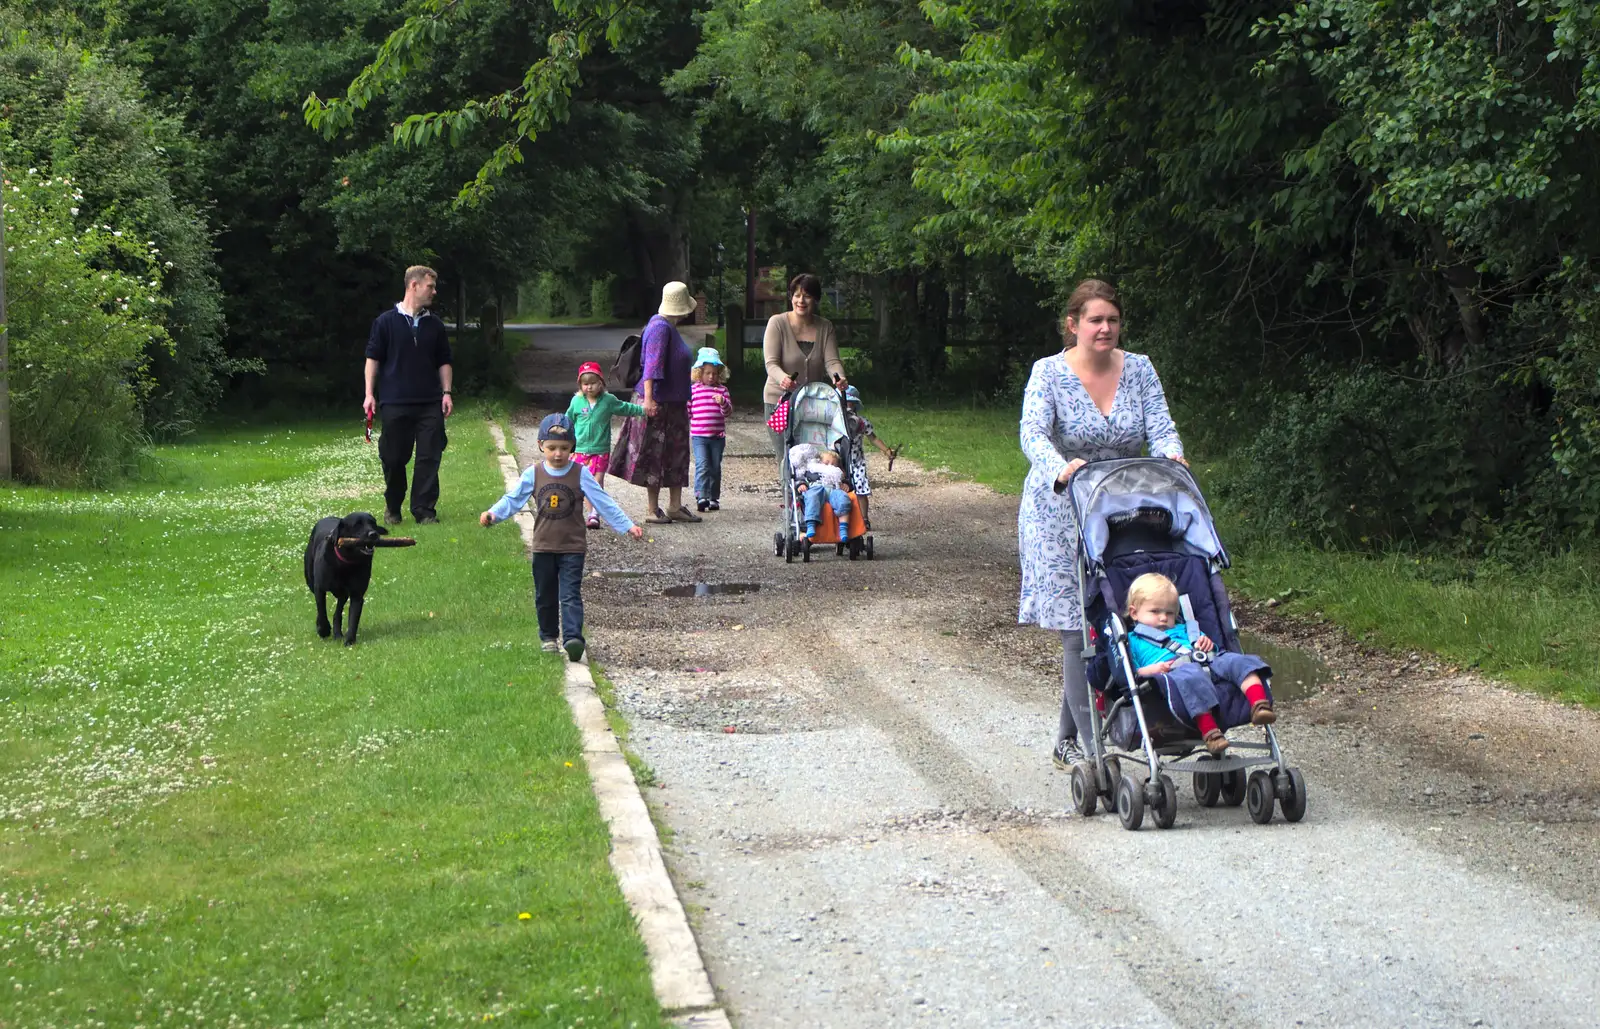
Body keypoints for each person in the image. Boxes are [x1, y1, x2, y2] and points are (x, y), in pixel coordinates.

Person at [1015, 278, 1188, 771]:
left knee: (1112, 618)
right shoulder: (1047, 372)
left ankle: (1066, 740)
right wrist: (1059, 467)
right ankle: (1093, 753)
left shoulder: (1139, 369)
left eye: (1112, 319)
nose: (1105, 328)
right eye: (1095, 320)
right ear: (1073, 325)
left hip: (1121, 508)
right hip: (1061, 510)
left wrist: (1172, 457)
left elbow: (1160, 424)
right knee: (1078, 632)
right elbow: (1033, 433)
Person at [480, 413, 644, 663]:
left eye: (564, 448)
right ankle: (548, 637)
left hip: (572, 547)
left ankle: (572, 639)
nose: (558, 454)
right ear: (540, 446)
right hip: (543, 547)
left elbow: (602, 501)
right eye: (552, 448)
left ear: (572, 448)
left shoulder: (580, 473)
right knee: (545, 594)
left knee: (570, 594)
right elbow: (513, 500)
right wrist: (493, 514)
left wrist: (627, 526)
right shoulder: (533, 473)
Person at [1122, 573, 1276, 756]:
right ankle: (1211, 733)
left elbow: (1209, 648)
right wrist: (1151, 670)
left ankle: (1259, 704)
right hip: (1174, 673)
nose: (1163, 618)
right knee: (1191, 675)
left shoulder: (1185, 628)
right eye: (1155, 612)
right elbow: (1132, 671)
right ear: (1134, 613)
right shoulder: (1133, 640)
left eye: (1169, 613)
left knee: (1240, 661)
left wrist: (1208, 643)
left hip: (1208, 661)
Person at [364, 265, 454, 525]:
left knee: (429, 457)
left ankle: (424, 511)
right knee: (393, 458)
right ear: (413, 286)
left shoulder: (435, 325)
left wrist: (446, 392)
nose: (434, 291)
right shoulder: (385, 322)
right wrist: (369, 394)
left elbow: (444, 361)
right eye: (430, 286)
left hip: (429, 402)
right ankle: (393, 506)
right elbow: (373, 359)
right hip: (394, 402)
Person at [611, 282, 702, 525]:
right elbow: (651, 367)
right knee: (655, 455)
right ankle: (653, 509)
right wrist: (649, 401)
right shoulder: (660, 328)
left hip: (674, 403)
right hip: (659, 403)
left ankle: (674, 506)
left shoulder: (668, 327)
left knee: (676, 454)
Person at [763, 273, 847, 479]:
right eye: (797, 295)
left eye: (807, 296)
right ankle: (789, 503)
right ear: (791, 297)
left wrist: (839, 378)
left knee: (813, 455)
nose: (801, 301)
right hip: (779, 401)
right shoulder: (777, 323)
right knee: (788, 455)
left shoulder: (825, 327)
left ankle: (810, 500)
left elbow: (832, 361)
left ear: (816, 299)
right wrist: (783, 378)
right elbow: (771, 363)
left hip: (811, 403)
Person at [567, 361, 644, 529]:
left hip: (600, 449)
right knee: (584, 482)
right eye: (585, 384)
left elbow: (624, 407)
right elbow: (568, 421)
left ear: (601, 383)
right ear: (580, 385)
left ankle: (594, 513)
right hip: (580, 449)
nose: (589, 387)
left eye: (593, 383)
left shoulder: (608, 401)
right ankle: (590, 512)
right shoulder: (577, 401)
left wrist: (643, 410)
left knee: (597, 480)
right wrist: (563, 438)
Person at [842, 385, 897, 524]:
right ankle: (839, 520)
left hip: (856, 461)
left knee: (860, 489)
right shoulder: (834, 421)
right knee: (838, 487)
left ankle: (864, 519)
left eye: (850, 403)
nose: (847, 406)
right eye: (844, 402)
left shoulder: (861, 422)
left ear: (855, 405)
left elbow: (873, 438)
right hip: (840, 460)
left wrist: (886, 450)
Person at [688, 347, 733, 512]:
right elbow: (688, 410)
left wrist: (723, 403)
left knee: (715, 466)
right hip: (699, 436)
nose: (711, 376)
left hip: (717, 436)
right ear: (700, 373)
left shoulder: (722, 390)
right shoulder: (693, 390)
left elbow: (727, 412)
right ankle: (701, 495)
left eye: (714, 373)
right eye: (707, 373)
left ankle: (713, 497)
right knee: (702, 464)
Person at [790, 443, 852, 540]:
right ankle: (811, 525)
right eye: (826, 463)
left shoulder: (837, 473)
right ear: (819, 461)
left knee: (843, 498)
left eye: (833, 464)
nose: (830, 466)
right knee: (812, 496)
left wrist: (846, 485)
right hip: (816, 488)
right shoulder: (812, 469)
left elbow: (844, 480)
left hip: (833, 489)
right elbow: (802, 478)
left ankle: (843, 528)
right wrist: (801, 485)